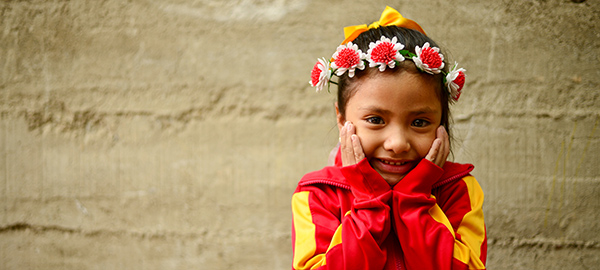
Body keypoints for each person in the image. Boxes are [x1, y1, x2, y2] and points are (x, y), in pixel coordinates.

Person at [291, 6, 486, 270]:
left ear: (441, 122)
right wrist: (368, 202)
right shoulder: (318, 196)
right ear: (341, 119)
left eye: (419, 122)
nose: (397, 144)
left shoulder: (458, 190)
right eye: (375, 120)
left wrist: (415, 199)